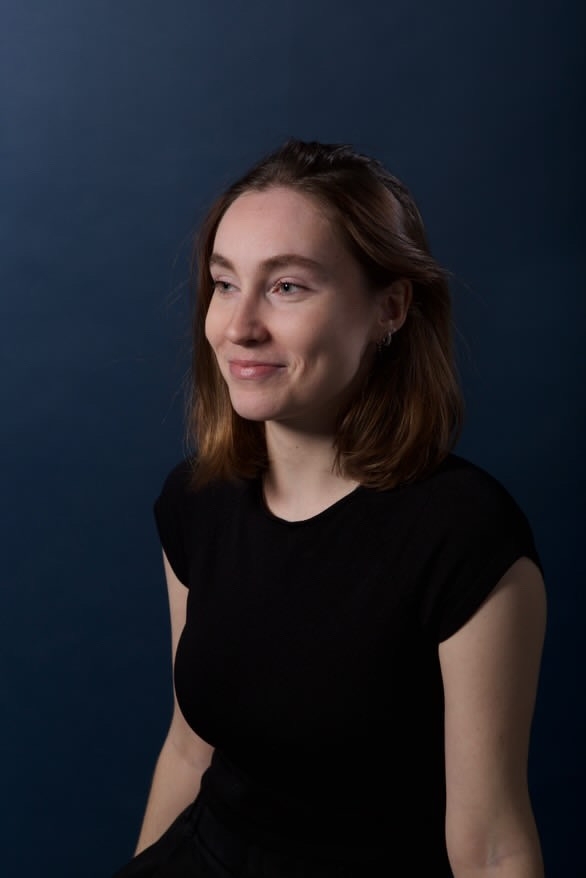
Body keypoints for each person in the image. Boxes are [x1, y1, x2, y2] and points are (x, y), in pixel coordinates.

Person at [113, 139, 546, 877]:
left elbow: (493, 847)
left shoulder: (465, 536)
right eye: (225, 283)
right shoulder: (196, 500)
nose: (239, 326)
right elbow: (190, 748)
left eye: (286, 286)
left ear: (390, 308)